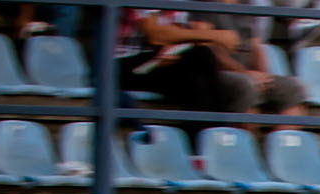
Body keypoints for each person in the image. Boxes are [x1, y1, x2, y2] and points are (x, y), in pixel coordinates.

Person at [122, 7, 308, 114]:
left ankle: (208, 146)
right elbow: (154, 35)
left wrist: (189, 37)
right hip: (124, 63)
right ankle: (202, 143)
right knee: (202, 58)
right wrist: (211, 35)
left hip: (159, 60)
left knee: (199, 58)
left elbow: (174, 35)